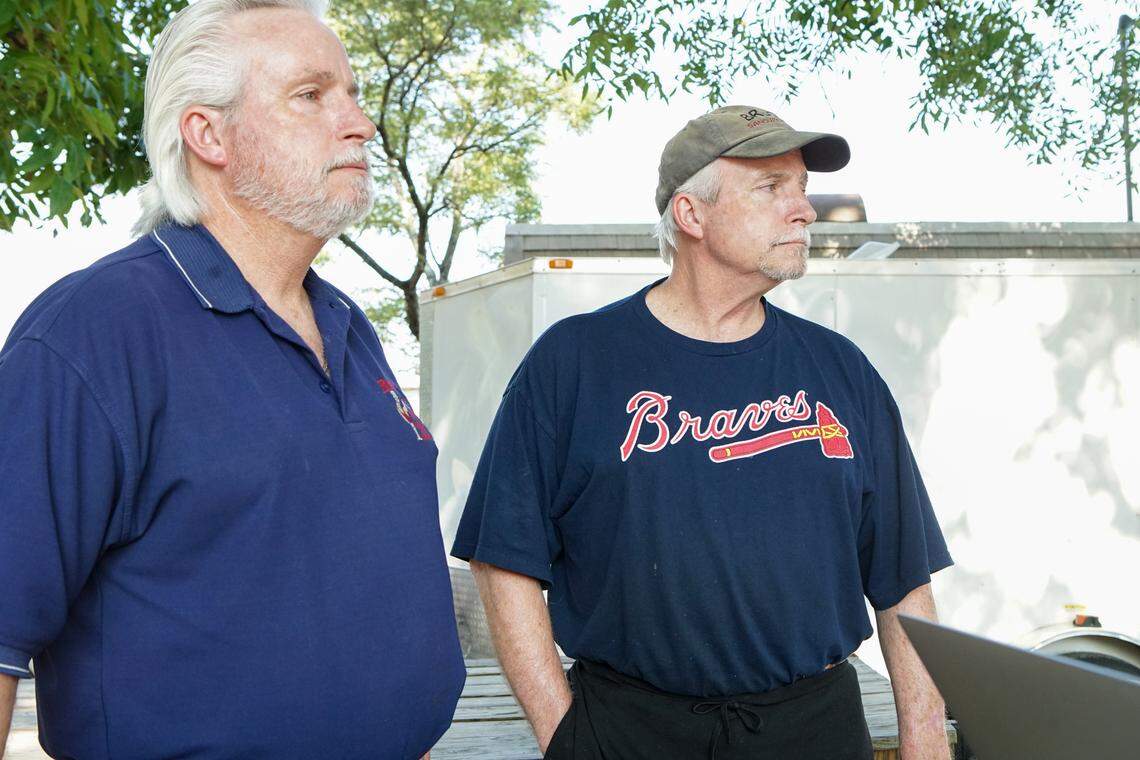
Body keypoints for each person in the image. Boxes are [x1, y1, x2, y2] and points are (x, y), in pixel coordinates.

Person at [0, 1, 464, 758]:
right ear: (207, 133)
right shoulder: (93, 332)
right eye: (312, 96)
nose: (359, 124)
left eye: (350, 93)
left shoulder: (349, 324)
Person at [451, 106, 954, 760]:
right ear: (692, 215)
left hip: (814, 730)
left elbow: (904, 579)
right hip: (631, 731)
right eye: (772, 188)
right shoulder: (574, 362)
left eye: (801, 188)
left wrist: (926, 737)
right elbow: (503, 557)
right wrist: (565, 736)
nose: (803, 209)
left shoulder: (842, 372)